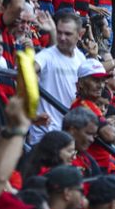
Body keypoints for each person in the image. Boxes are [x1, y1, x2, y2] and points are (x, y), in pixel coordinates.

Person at [32, 12, 86, 142]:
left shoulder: (80, 57)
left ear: (79, 35)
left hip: (68, 132)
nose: (62, 37)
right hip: (45, 134)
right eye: (59, 32)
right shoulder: (46, 55)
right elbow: (27, 71)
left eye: (67, 34)